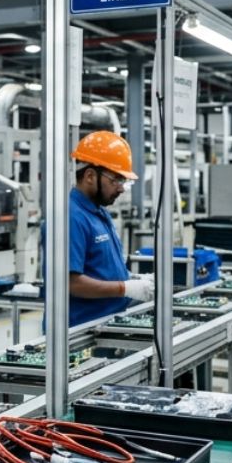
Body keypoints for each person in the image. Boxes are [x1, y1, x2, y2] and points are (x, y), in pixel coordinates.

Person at [61, 131, 154, 327]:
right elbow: (71, 283)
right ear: (90, 176)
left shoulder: (99, 212)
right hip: (80, 330)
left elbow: (99, 267)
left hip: (107, 321)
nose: (120, 188)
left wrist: (131, 278)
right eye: (115, 180)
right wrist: (125, 288)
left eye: (123, 181)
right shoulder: (70, 217)